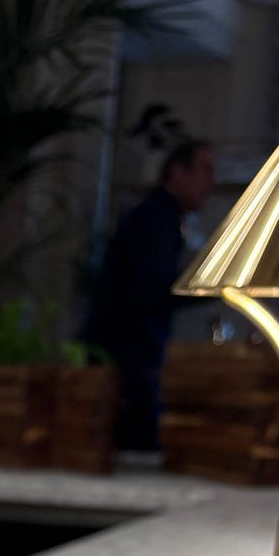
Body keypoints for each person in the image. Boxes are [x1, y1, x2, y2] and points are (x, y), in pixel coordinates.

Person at [82, 139, 216, 451]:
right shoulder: (156, 220)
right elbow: (152, 290)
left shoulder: (160, 216)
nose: (211, 183)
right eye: (205, 170)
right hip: (127, 357)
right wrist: (212, 287)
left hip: (129, 353)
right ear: (177, 172)